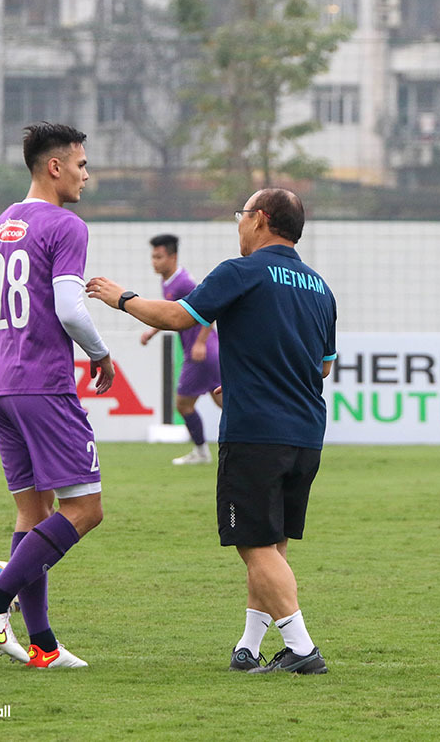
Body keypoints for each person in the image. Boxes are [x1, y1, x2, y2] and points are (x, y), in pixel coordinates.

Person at [87, 188, 336, 675]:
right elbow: (322, 367)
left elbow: (178, 316)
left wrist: (122, 297)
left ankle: (303, 650)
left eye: (241, 214)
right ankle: (248, 647)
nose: (237, 223)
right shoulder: (320, 287)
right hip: (306, 432)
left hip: (256, 431)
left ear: (261, 220)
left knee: (254, 544)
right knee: (272, 542)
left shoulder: (241, 271)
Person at [0, 122, 114, 669]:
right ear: (55, 167)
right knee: (86, 509)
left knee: (33, 512)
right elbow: (72, 309)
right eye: (81, 164)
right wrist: (99, 353)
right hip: (45, 385)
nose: (85, 174)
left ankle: (43, 645)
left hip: (1, 389)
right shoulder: (65, 226)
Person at [140, 234, 222, 465]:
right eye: (153, 257)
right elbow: (171, 313)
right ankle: (245, 445)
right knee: (223, 403)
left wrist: (199, 342)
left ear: (173, 257)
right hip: (203, 352)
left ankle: (203, 452)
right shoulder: (168, 281)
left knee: (184, 404)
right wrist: (152, 331)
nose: (154, 261)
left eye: (159, 257)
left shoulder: (183, 282)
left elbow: (209, 310)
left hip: (202, 354)